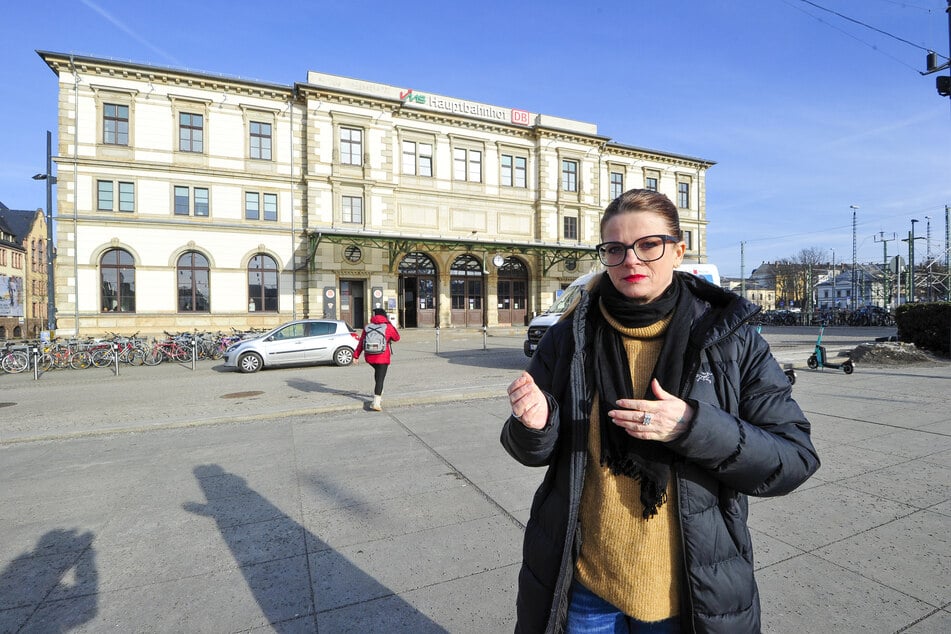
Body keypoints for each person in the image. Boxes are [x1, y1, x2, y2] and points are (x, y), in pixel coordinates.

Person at [502, 189, 820, 633]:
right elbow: (532, 451)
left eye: (648, 245)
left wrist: (692, 426)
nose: (631, 260)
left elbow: (794, 457)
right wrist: (536, 425)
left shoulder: (730, 338)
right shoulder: (569, 337)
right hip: (585, 584)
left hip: (685, 589)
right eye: (615, 249)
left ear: (678, 250)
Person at [354, 308, 400, 411]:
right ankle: (376, 402)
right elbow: (397, 338)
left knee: (378, 373)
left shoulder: (368, 327)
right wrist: (390, 324)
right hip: (382, 357)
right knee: (380, 379)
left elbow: (361, 342)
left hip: (369, 356)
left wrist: (356, 356)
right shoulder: (388, 326)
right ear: (385, 316)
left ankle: (380, 392)